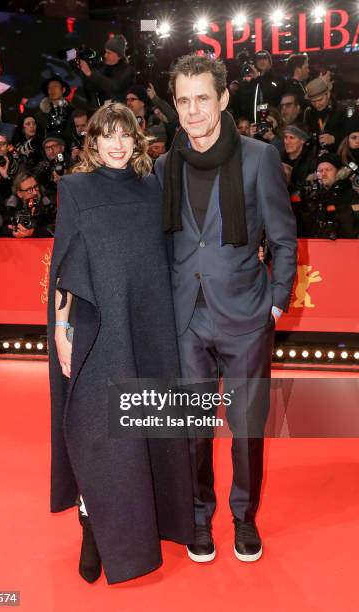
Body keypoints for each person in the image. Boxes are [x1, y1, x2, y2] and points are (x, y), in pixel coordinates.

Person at [155, 54, 297, 563]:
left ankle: (243, 518)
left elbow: (283, 238)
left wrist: (276, 305)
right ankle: (197, 518)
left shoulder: (259, 158)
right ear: (175, 105)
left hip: (245, 318)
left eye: (202, 99)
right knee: (191, 430)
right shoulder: (162, 165)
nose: (193, 111)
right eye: (183, 100)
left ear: (222, 99)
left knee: (246, 429)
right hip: (185, 319)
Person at [48, 102, 194, 585]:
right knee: (103, 435)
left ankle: (153, 525)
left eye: (125, 135)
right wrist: (62, 332)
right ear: (92, 141)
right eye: (107, 135)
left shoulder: (153, 189)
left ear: (137, 140)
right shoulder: (75, 188)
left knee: (146, 428)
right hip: (99, 329)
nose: (117, 143)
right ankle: (93, 525)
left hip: (151, 329)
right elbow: (64, 271)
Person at [79, 34, 135, 107]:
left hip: (121, 111)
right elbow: (92, 88)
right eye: (105, 52)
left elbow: (115, 87)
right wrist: (84, 73)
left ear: (119, 55)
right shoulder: (103, 68)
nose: (105, 55)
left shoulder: (128, 70)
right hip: (104, 111)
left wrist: (90, 73)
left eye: (109, 53)